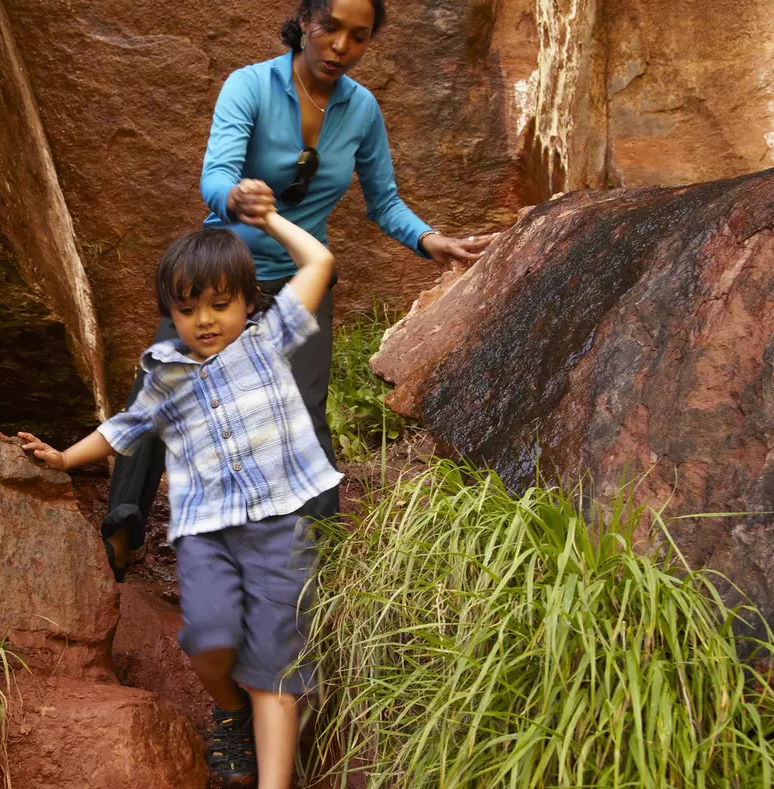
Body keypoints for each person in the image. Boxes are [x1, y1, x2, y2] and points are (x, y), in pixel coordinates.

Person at [99, 0, 496, 580]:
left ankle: (321, 551)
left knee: (305, 409)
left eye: (358, 37)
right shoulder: (251, 86)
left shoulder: (361, 109)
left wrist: (429, 240)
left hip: (301, 282)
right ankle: (122, 525)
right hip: (224, 272)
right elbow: (216, 173)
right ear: (305, 21)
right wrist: (234, 198)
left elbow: (382, 200)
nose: (341, 45)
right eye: (330, 28)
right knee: (160, 390)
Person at [18, 208, 338, 789]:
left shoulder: (272, 341)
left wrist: (268, 220)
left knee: (275, 670)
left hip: (280, 528)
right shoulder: (166, 376)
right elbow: (123, 429)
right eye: (187, 310)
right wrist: (63, 459)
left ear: (247, 303)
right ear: (171, 315)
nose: (204, 321)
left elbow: (318, 261)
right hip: (205, 533)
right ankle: (228, 708)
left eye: (219, 304)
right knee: (209, 639)